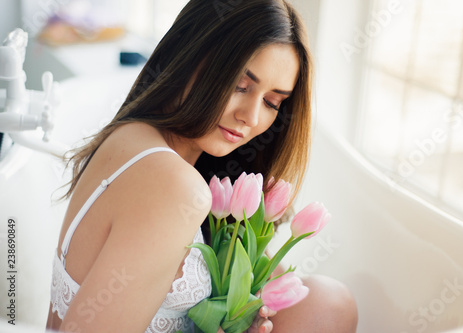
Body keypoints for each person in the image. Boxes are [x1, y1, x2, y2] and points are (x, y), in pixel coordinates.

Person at [45, 0, 358, 332]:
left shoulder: (137, 140)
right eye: (240, 85)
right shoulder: (172, 184)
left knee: (326, 301)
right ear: (191, 53)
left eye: (271, 102)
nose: (251, 118)